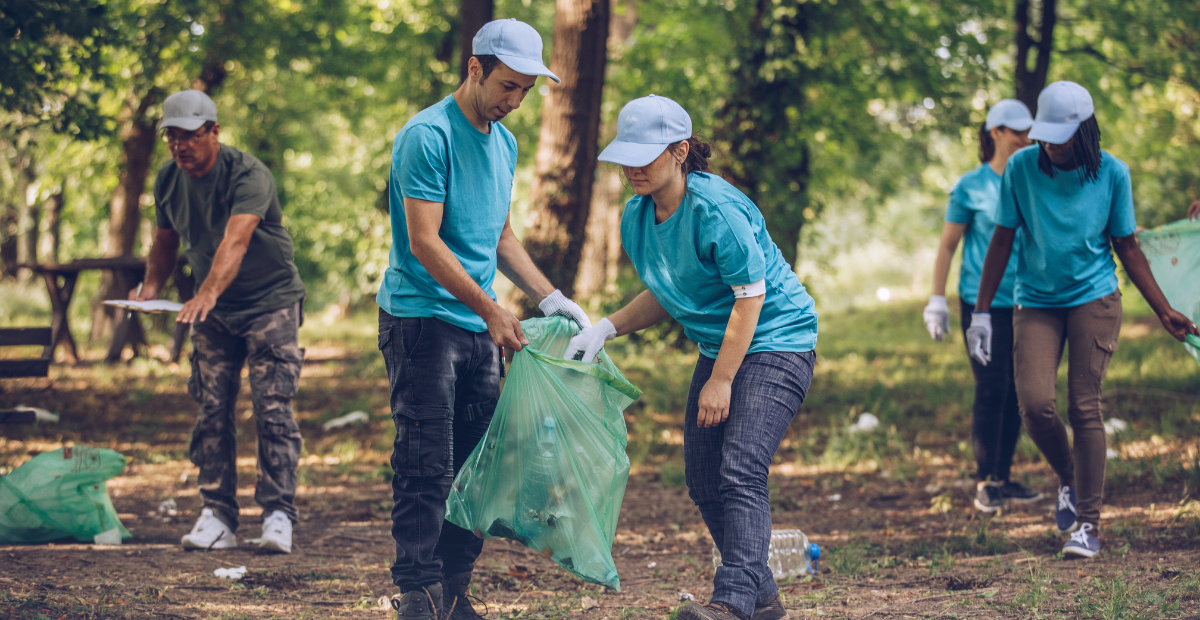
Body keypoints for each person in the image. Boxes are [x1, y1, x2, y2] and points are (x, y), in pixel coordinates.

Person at [565, 95, 819, 620]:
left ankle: (731, 603)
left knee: (742, 468)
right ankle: (764, 596)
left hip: (778, 337)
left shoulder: (716, 211)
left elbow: (751, 298)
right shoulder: (636, 219)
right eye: (626, 154)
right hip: (722, 342)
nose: (633, 166)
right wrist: (606, 328)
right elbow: (668, 290)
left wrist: (721, 380)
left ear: (680, 151)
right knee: (704, 480)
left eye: (646, 153)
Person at [379, 19, 592, 620]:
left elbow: (498, 236)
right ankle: (416, 593)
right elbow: (425, 242)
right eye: (507, 85)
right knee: (426, 462)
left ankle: (452, 593)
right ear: (475, 68)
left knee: (479, 468)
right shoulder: (427, 136)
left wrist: (551, 298)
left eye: (526, 90)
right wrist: (492, 308)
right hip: (422, 320)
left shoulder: (504, 142)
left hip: (477, 325)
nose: (515, 101)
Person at [968, 81, 1200, 559]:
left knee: (1084, 406)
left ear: (1084, 132)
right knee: (1035, 405)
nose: (1049, 146)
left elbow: (1128, 247)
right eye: (1044, 137)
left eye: (1060, 137)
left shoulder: (1113, 173)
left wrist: (1164, 311)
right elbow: (1001, 241)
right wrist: (981, 313)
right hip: (1035, 299)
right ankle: (1071, 478)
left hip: (1094, 297)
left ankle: (1088, 525)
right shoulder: (1021, 169)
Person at [133, 89, 307, 554]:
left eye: (190, 136)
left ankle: (277, 514)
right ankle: (217, 516)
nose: (180, 146)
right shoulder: (168, 179)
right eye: (172, 137)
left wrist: (205, 293)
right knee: (211, 410)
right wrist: (151, 286)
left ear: (214, 131)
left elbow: (237, 239)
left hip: (269, 303)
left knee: (272, 408)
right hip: (213, 312)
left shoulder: (248, 173)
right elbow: (165, 240)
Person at [923, 100, 1043, 512]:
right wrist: (936, 299)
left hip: (1028, 300)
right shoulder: (971, 186)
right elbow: (947, 246)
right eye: (1018, 131)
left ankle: (1004, 477)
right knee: (992, 387)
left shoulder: (1032, 178)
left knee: (1019, 392)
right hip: (982, 303)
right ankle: (984, 481)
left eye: (1030, 131)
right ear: (995, 132)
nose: (1027, 138)